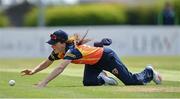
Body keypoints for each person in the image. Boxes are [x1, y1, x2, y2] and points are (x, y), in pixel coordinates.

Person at [21, 30, 162, 88]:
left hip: (107, 57)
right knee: (88, 82)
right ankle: (103, 78)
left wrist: (43, 83)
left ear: (63, 43)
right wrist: (33, 71)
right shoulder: (59, 52)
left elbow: (60, 68)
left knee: (131, 82)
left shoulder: (72, 51)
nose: (52, 47)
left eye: (54, 44)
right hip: (93, 62)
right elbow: (48, 62)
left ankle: (149, 71)